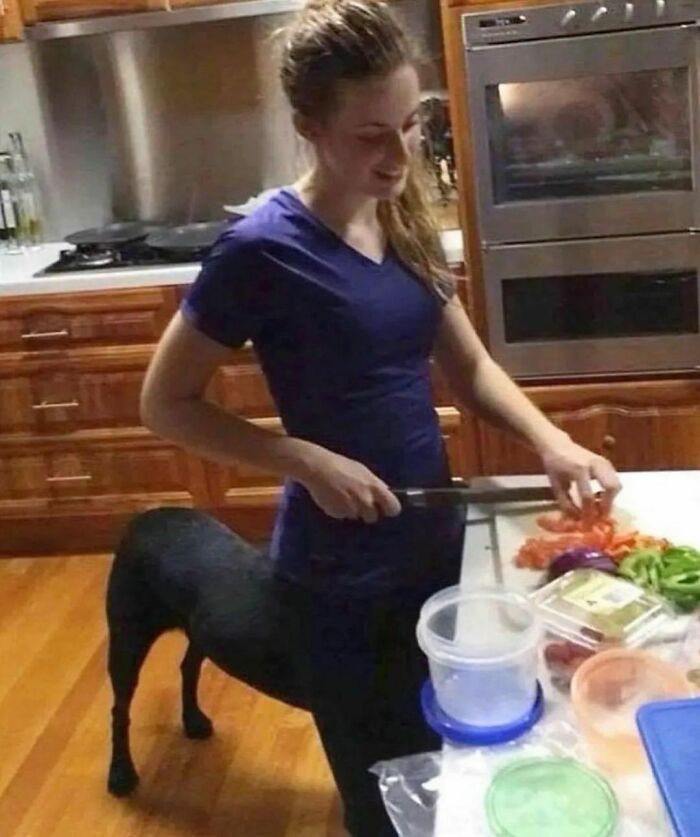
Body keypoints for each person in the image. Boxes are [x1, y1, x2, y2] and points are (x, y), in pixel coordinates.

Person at [140, 1, 621, 833]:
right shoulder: (261, 250)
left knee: (452, 767)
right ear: (308, 127)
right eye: (372, 135)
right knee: (381, 792)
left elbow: (468, 367)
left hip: (437, 542)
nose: (400, 155)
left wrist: (553, 439)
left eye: (410, 124)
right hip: (338, 575)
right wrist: (305, 460)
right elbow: (165, 404)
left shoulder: (399, 214)